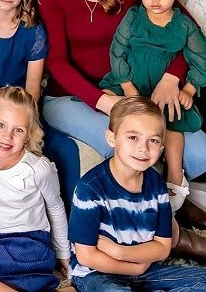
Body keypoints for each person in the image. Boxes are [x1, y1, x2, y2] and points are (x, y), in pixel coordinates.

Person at [36, 0, 206, 229]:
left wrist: (172, 78)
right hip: (75, 97)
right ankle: (161, 224)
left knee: (198, 152)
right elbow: (57, 63)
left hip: (141, 90)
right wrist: (107, 103)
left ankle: (172, 202)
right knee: (126, 144)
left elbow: (187, 32)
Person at [100, 0, 206, 207]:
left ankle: (174, 175)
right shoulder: (134, 18)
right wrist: (126, 86)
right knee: (119, 111)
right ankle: (129, 178)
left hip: (163, 92)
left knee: (173, 122)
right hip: (132, 85)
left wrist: (189, 90)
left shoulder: (184, 25)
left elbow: (200, 58)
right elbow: (118, 51)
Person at [69, 97, 206, 291]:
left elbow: (162, 247)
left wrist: (120, 252)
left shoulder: (156, 183)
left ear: (161, 148)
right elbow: (86, 256)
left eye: (153, 140)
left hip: (146, 268)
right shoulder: (90, 188)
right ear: (112, 138)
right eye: (133, 137)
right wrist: (132, 269)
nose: (144, 148)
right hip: (97, 273)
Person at [0, 86, 69, 292]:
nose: (7, 136)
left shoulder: (38, 168)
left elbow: (56, 209)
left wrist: (64, 255)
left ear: (28, 136)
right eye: (1, 125)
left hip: (30, 244)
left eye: (18, 130)